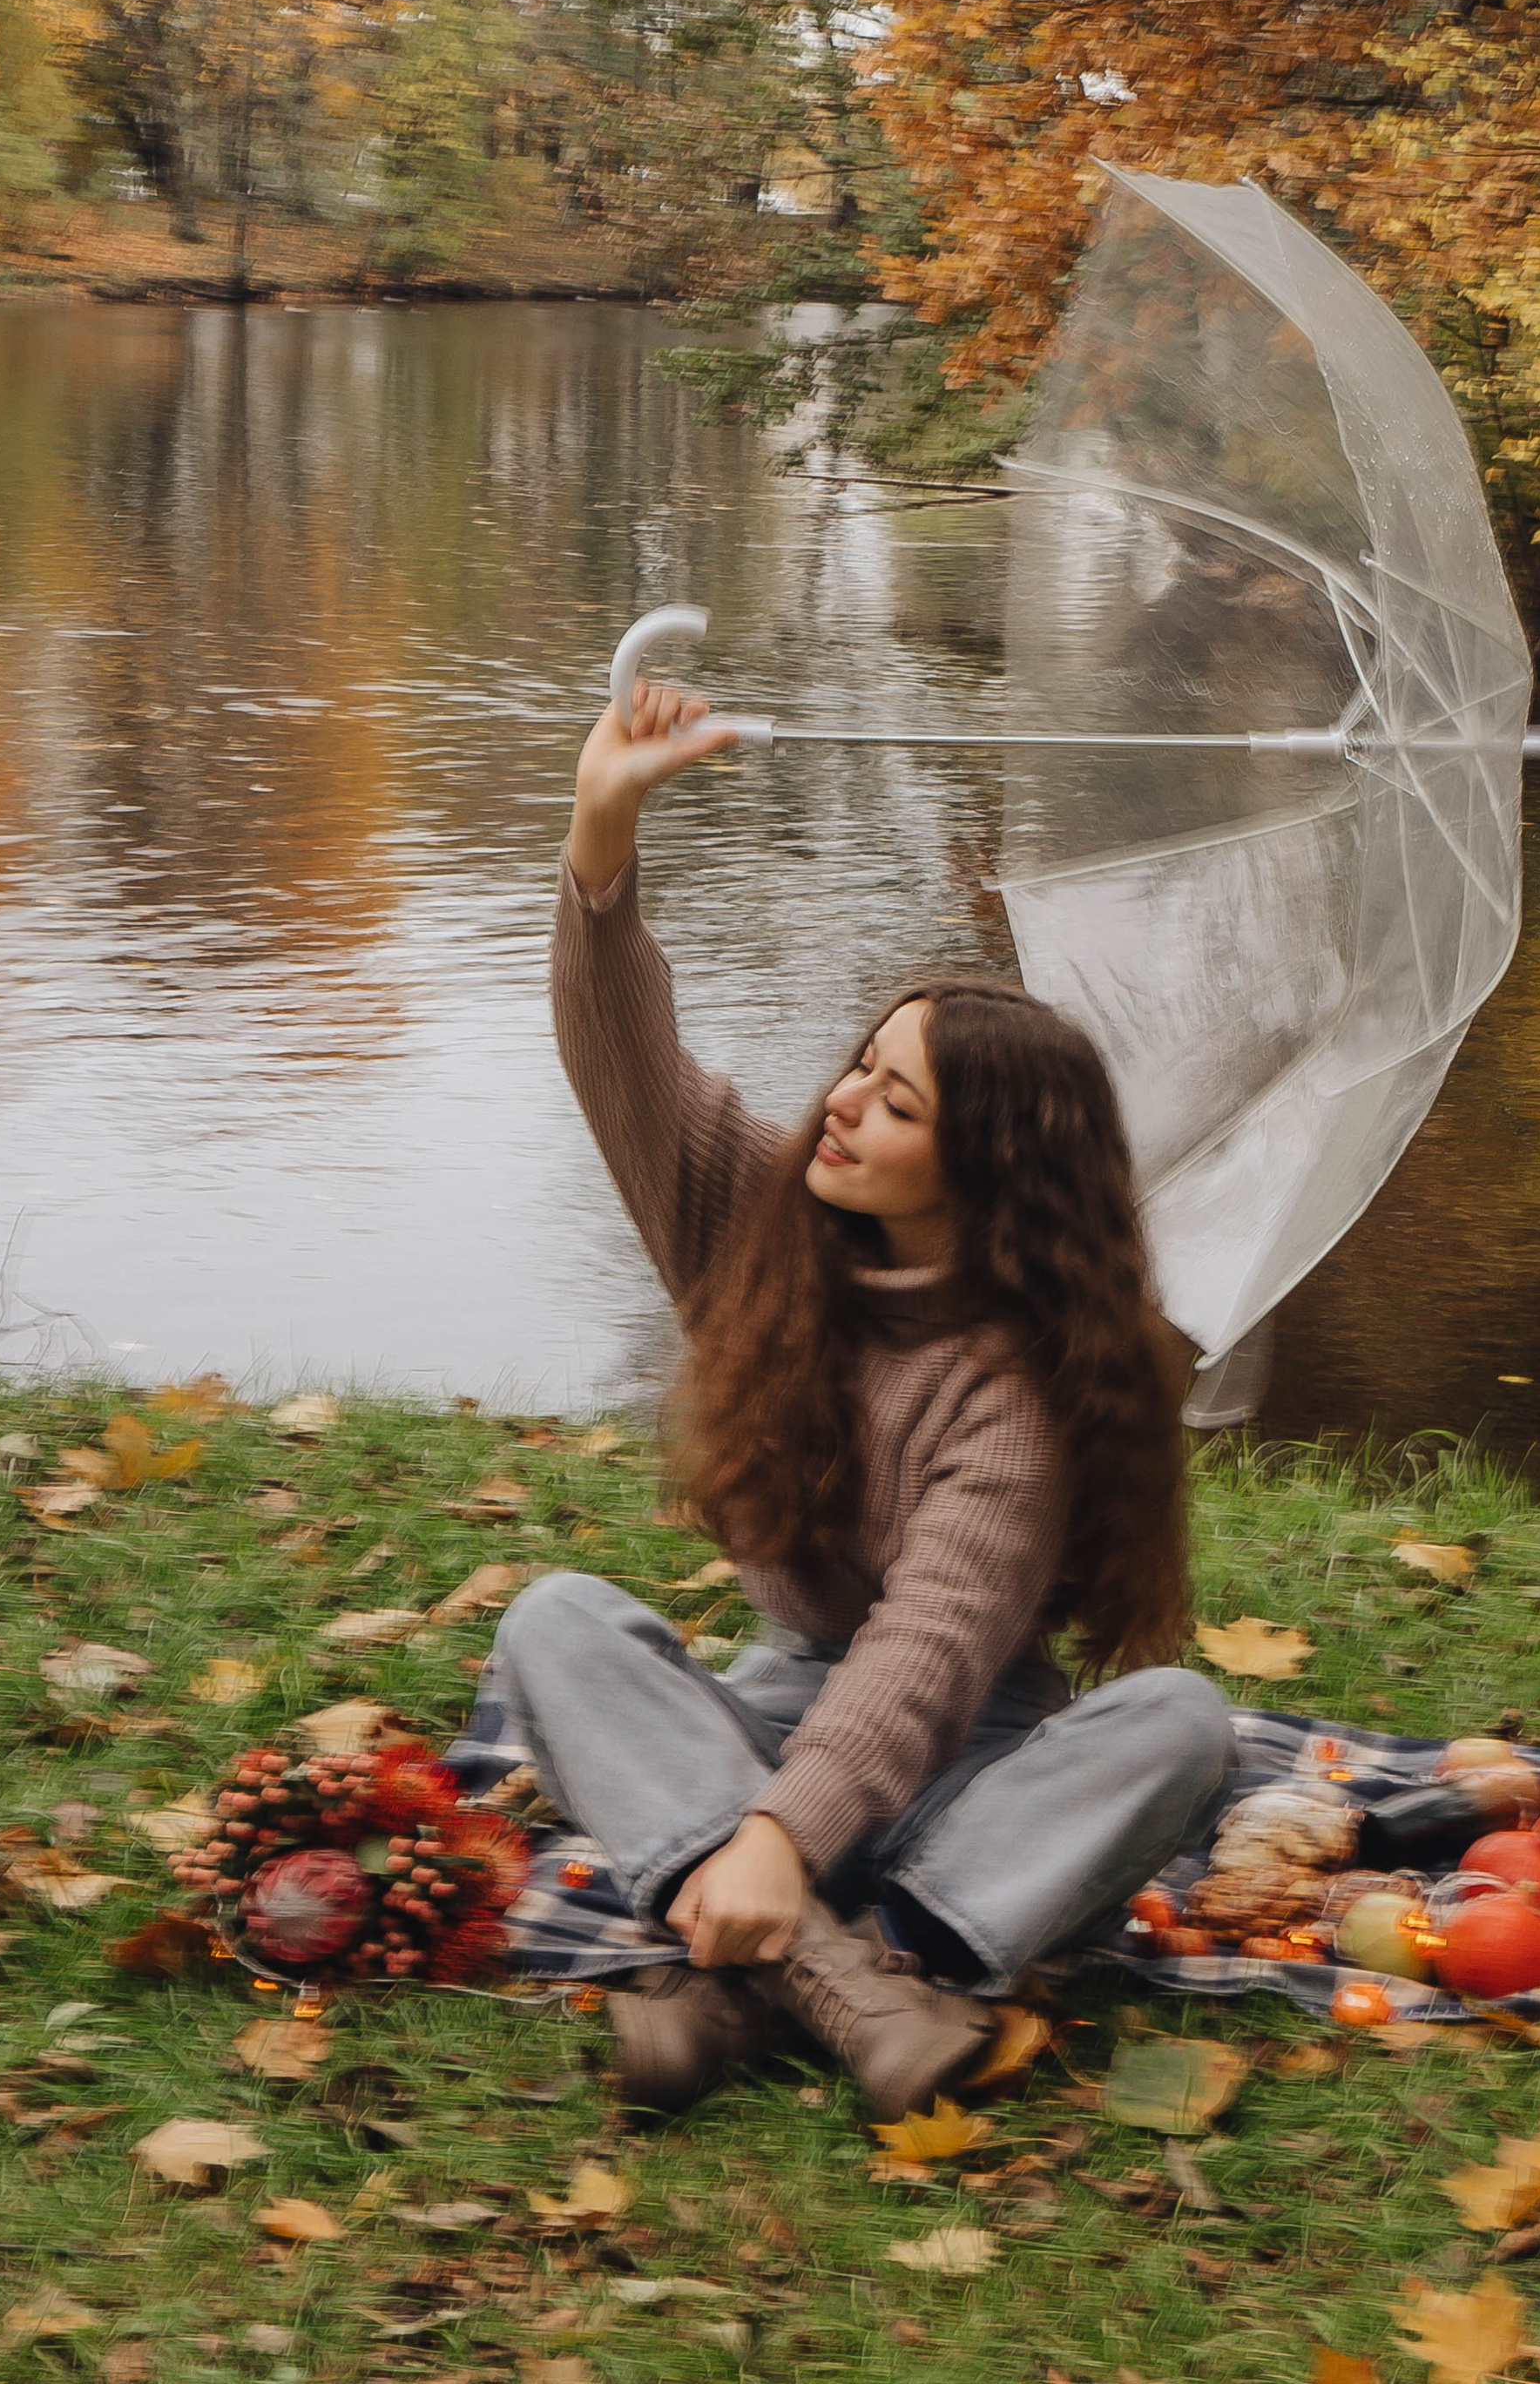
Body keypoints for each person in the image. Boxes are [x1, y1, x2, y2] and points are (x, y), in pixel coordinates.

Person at [479, 670, 1234, 2118]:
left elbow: (928, 1658)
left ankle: (780, 1957)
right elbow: (626, 1066)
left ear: (988, 1172)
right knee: (556, 1620)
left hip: (974, 1765)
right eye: (860, 1068)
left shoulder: (1022, 1388)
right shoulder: (767, 1233)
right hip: (764, 1721)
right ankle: (849, 1984)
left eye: (899, 1106)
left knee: (1182, 1726)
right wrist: (600, 839)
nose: (842, 1104)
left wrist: (771, 1840)